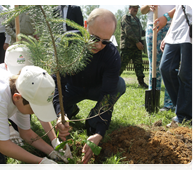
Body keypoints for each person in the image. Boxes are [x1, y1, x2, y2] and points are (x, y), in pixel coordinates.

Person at [0, 64, 74, 169]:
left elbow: (26, 133)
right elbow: (3, 145)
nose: (35, 113)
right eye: (34, 108)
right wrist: (41, 162)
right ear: (17, 97)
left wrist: (53, 151)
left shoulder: (20, 87)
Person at [53, 8, 126, 167]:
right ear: (85, 25)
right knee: (53, 98)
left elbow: (108, 94)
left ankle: (92, 119)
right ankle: (69, 110)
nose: (99, 45)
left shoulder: (112, 54)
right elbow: (56, 83)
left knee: (120, 84)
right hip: (71, 88)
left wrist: (100, 132)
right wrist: (60, 112)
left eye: (105, 41)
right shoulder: (68, 42)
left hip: (96, 90)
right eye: (94, 38)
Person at [159, 5, 194, 125]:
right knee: (165, 68)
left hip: (191, 27)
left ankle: (184, 116)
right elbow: (180, 7)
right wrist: (168, 34)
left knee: (186, 74)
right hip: (176, 29)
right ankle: (185, 109)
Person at [141, 5, 176, 111]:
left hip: (171, 26)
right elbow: (142, 10)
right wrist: (148, 5)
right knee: (153, 66)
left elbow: (180, 8)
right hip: (152, 26)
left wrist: (166, 17)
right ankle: (152, 99)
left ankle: (169, 103)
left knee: (169, 66)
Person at [120, 5, 148, 88]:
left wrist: (148, 31)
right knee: (121, 65)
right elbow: (128, 31)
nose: (135, 9)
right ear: (129, 8)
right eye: (133, 7)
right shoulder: (126, 17)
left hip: (137, 47)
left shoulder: (137, 20)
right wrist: (137, 42)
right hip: (127, 47)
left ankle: (141, 82)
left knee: (139, 65)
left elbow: (139, 33)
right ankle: (112, 80)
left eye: (137, 8)